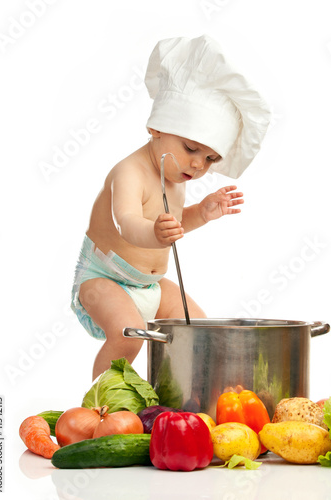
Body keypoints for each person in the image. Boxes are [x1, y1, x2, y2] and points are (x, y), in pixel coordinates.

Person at [70, 35, 271, 380]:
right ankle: (99, 409)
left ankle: (183, 399)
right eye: (191, 148)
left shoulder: (175, 178)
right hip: (105, 279)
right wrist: (153, 233)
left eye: (210, 158)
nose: (198, 165)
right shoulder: (129, 171)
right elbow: (127, 222)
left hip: (151, 287)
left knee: (201, 330)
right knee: (127, 333)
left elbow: (173, 224)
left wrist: (202, 213)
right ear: (156, 127)